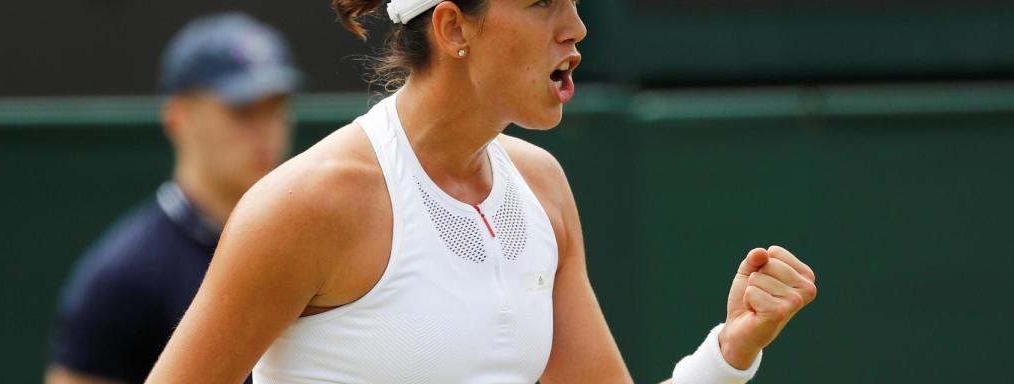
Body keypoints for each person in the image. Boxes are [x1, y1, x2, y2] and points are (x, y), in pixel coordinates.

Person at [147, 0, 817, 383]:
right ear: (453, 28)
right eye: (541, 2)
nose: (576, 26)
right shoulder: (310, 204)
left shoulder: (542, 187)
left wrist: (729, 353)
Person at [46, 13, 301, 384]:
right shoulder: (123, 278)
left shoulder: (308, 243)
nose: (267, 130)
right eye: (243, 110)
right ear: (178, 116)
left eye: (276, 107)